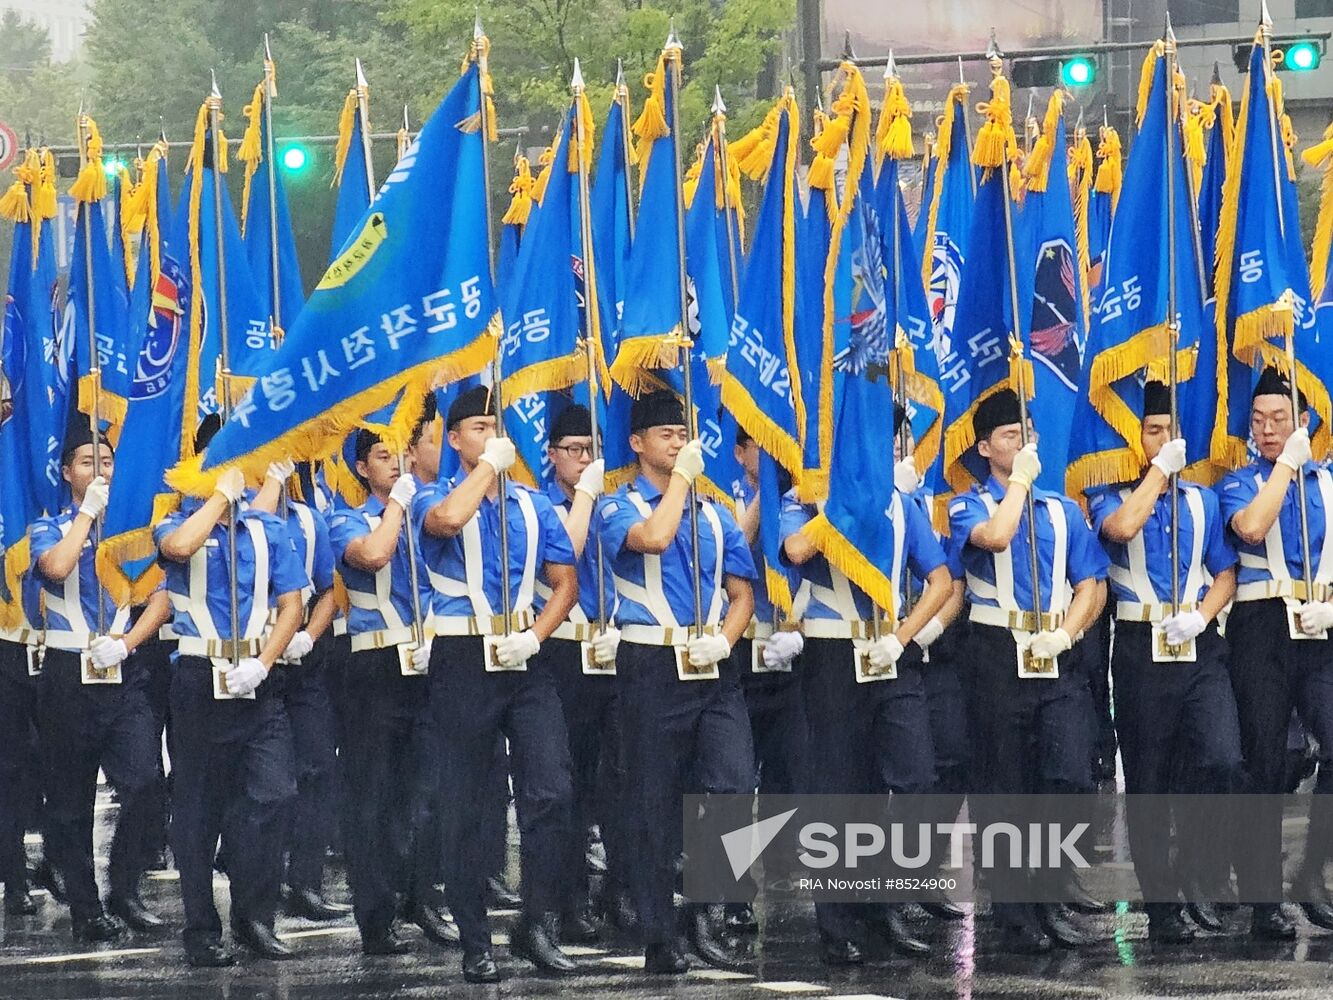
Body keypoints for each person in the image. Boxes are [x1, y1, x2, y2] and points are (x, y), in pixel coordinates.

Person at [412, 385, 579, 983]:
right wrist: (486, 468)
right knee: (468, 803)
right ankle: (474, 938)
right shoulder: (429, 496)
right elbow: (450, 520)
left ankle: (538, 923)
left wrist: (536, 636)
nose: (489, 435)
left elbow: (565, 582)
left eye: (495, 426)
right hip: (462, 656)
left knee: (552, 790)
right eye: (476, 428)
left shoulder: (534, 506)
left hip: (524, 656)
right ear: (454, 440)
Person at [781, 405, 953, 964]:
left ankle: (891, 901)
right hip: (833, 651)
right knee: (840, 791)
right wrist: (846, 506)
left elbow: (941, 579)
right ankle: (839, 921)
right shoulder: (805, 501)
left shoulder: (903, 504)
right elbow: (796, 551)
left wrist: (903, 636)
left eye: (890, 437)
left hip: (890, 652)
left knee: (917, 778)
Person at [596, 390, 757, 974]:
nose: (679, 441)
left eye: (683, 432)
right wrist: (682, 484)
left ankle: (705, 909)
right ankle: (660, 932)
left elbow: (742, 593)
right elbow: (654, 539)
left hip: (712, 668)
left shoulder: (714, 514)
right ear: (638, 444)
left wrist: (727, 638)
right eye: (666, 434)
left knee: (735, 785)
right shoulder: (618, 506)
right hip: (651, 666)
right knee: (652, 805)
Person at [947, 389, 1109, 954]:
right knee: (1005, 786)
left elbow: (1093, 582)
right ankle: (1016, 912)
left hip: (1055, 649)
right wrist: (1018, 483)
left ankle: (1049, 895)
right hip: (996, 649)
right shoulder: (968, 505)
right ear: (985, 447)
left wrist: (1068, 631)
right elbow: (995, 537)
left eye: (1027, 434)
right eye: (1011, 437)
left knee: (1067, 776)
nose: (1023, 444)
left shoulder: (1063, 511)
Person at [1088, 381, 1243, 942]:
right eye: (1153, 430)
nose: (1164, 439)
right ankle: (1162, 906)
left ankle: (1197, 877)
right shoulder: (1111, 492)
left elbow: (1225, 571)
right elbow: (1121, 529)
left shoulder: (1201, 499)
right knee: (1150, 783)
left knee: (1223, 760)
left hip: (1197, 645)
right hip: (1139, 648)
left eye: (1171, 431)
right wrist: (1157, 472)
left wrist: (1202, 615)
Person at [154, 416, 307, 967]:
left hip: (256, 682)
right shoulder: (175, 519)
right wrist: (218, 498)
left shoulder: (271, 532)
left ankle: (253, 913)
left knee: (275, 793)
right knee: (197, 809)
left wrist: (265, 663)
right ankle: (201, 929)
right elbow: (177, 549)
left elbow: (292, 603)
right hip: (198, 680)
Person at [28, 423, 166, 941]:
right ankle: (86, 908)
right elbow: (56, 568)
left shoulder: (131, 531)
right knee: (70, 800)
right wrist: (86, 515)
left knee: (145, 781)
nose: (99, 470)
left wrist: (129, 643)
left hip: (123, 669)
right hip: (67, 673)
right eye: (87, 462)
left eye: (106, 462)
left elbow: (160, 594)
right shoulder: (49, 527)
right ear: (67, 473)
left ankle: (124, 886)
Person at [1217, 367, 1333, 939]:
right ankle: (1264, 900)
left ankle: (1312, 876)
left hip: (1322, 625)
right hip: (1261, 625)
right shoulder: (1239, 482)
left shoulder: (1332, 483)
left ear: (1304, 423)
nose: (1266, 429)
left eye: (1280, 420)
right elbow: (1253, 528)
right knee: (1263, 763)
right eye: (1258, 420)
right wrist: (1286, 464)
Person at [328, 429, 435, 955]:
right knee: (375, 796)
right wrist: (397, 504)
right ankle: (376, 912)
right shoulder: (349, 517)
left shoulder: (431, 511)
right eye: (383, 457)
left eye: (401, 454)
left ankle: (722, 907)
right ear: (361, 468)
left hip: (431, 663)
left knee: (425, 794)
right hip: (376, 665)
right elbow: (372, 554)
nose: (396, 465)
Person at [531, 404, 625, 942]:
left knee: (618, 779)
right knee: (567, 783)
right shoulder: (543, 506)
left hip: (614, 648)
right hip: (564, 652)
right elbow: (568, 547)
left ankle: (620, 889)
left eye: (592, 450)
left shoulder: (612, 505)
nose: (585, 459)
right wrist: (586, 494)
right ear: (552, 455)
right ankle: (567, 901)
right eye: (573, 450)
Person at [251, 460, 345, 921]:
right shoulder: (233, 520)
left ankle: (305, 882)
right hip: (250, 663)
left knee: (319, 770)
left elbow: (328, 589)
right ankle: (258, 890)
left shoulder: (309, 519)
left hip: (302, 664)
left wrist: (308, 633)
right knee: (265, 786)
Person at [728, 428, 806, 932]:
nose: (774, 455)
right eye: (762, 445)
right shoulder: (722, 494)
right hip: (738, 648)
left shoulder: (803, 499)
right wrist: (766, 495)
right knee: (733, 776)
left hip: (791, 644)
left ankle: (781, 874)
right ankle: (731, 894)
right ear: (740, 453)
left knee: (789, 768)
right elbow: (733, 545)